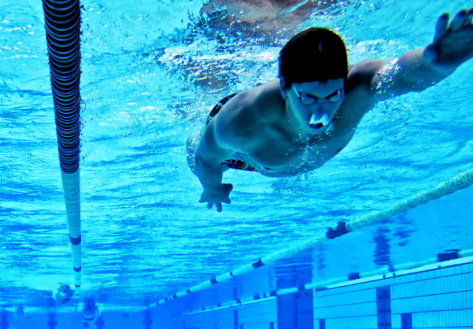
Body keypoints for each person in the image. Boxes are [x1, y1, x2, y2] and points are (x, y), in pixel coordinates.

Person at [188, 10, 473, 212]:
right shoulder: (240, 122)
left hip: (278, 156)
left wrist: (437, 63)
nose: (320, 111)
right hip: (240, 155)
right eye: (309, 98)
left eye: (333, 95)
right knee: (194, 150)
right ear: (285, 87)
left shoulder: (358, 88)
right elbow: (206, 158)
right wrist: (212, 189)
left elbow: (402, 75)